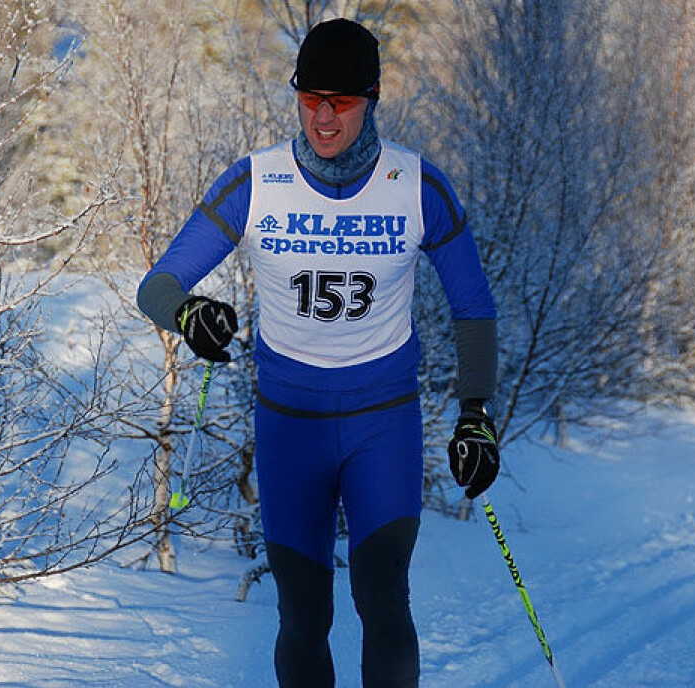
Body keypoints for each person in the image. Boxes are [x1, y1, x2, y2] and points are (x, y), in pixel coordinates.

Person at [136, 18, 499, 688]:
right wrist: (191, 315)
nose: (324, 120)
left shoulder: (417, 186)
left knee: (383, 598)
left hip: (381, 422)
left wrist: (475, 413)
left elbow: (472, 305)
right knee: (303, 614)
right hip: (290, 425)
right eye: (309, 101)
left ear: (374, 97)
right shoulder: (257, 182)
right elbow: (156, 287)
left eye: (342, 102)